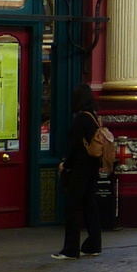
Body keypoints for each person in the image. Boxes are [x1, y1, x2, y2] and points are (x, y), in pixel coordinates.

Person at [53, 85, 107, 260]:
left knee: (72, 207)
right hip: (92, 167)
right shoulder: (94, 117)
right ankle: (93, 244)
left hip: (80, 169)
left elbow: (76, 146)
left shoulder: (80, 119)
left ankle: (71, 249)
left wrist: (65, 165)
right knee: (90, 205)